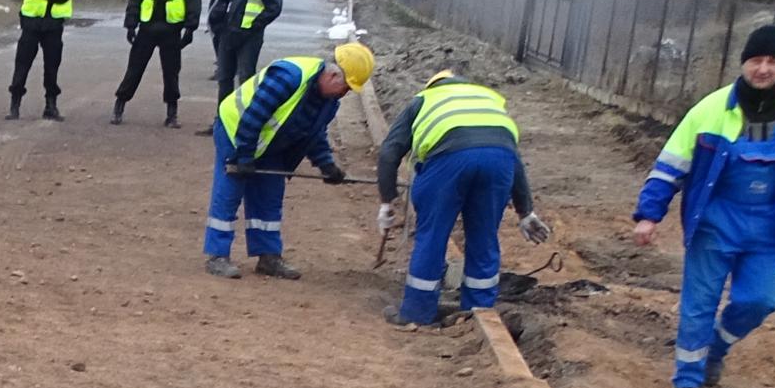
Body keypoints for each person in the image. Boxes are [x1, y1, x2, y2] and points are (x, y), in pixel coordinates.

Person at [631, 22, 775, 388]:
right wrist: (649, 214)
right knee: (699, 303)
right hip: (716, 221)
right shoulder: (710, 109)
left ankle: (717, 346)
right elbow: (672, 164)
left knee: (759, 301)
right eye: (756, 60)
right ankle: (687, 380)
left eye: (773, 61)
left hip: (774, 226)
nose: (763, 69)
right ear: (743, 63)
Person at [377, 70, 550, 326]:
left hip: (448, 162)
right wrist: (526, 211)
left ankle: (416, 313)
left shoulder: (424, 99)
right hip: (499, 162)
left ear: (433, 85)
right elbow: (513, 157)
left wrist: (387, 201)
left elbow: (389, 152)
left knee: (432, 235)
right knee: (484, 237)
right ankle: (478, 312)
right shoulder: (489, 99)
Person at [205, 41, 373, 280]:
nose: (345, 94)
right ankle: (217, 256)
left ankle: (268, 256)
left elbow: (314, 134)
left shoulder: (328, 101)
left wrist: (326, 164)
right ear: (333, 75)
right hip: (235, 131)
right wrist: (244, 157)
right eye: (346, 87)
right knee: (230, 190)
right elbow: (253, 117)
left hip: (272, 143)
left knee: (270, 195)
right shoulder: (289, 77)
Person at [113, 0, 199, 126]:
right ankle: (119, 105)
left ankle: (172, 114)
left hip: (171, 29)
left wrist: (190, 29)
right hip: (148, 28)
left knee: (171, 73)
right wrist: (130, 24)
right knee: (134, 69)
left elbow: (193, 2)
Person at [7, 0, 76, 120]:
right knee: (22, 65)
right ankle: (14, 105)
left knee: (52, 67)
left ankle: (50, 106)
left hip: (53, 25)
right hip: (31, 23)